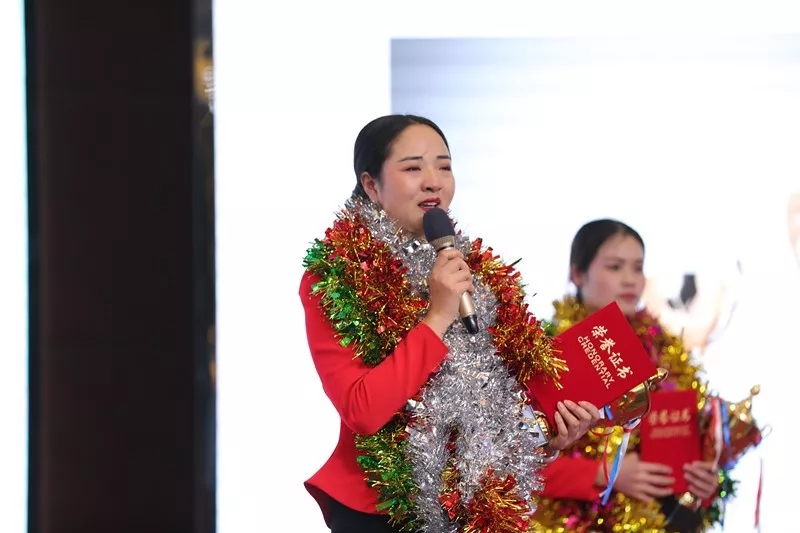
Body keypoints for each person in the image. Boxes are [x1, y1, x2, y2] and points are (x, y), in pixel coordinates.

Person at [299, 114, 602, 533]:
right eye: (413, 168)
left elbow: (501, 409)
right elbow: (362, 410)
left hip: (474, 510)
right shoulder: (338, 275)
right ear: (371, 184)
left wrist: (549, 434)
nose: (433, 182)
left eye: (444, 167)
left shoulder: (477, 273)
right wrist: (438, 314)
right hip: (384, 510)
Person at [529, 219, 731, 533]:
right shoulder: (544, 352)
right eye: (615, 267)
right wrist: (606, 473)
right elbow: (509, 460)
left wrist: (704, 482)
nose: (630, 280)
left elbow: (691, 447)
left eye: (638, 268)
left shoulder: (666, 353)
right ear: (578, 273)